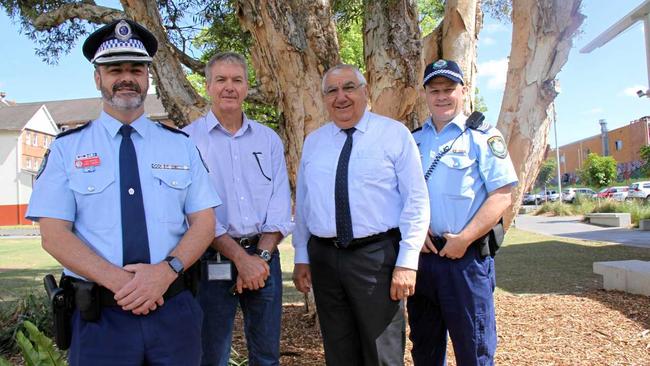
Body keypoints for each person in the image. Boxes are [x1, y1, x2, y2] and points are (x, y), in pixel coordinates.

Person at [26, 19, 220, 366]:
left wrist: (165, 272)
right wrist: (123, 284)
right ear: (97, 77)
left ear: (148, 77)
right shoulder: (67, 149)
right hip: (100, 319)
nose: (126, 77)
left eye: (136, 69)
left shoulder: (181, 146)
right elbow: (53, 235)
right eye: (115, 69)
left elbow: (204, 223)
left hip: (173, 312)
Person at [292, 64, 430, 366]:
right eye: (332, 91)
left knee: (382, 352)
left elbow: (416, 201)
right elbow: (304, 203)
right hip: (324, 259)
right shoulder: (314, 142)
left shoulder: (394, 135)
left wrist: (407, 262)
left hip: (376, 258)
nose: (341, 97)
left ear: (365, 91)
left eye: (349, 88)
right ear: (324, 98)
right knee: (339, 352)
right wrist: (301, 254)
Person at [183, 52, 292, 366]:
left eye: (236, 80)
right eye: (221, 80)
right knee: (212, 356)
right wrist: (240, 259)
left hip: (264, 262)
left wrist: (258, 259)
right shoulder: (187, 140)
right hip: (209, 261)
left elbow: (279, 204)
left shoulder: (268, 139)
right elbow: (194, 211)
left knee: (267, 357)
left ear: (246, 87)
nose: (228, 87)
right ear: (207, 86)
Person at [409, 59, 518, 366]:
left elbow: (502, 195)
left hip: (466, 261)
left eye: (449, 89)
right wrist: (416, 235)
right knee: (425, 350)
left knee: (474, 350)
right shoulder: (413, 140)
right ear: (426, 95)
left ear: (464, 91)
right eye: (434, 90)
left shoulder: (483, 136)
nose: (442, 96)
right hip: (424, 259)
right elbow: (402, 196)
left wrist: (464, 239)